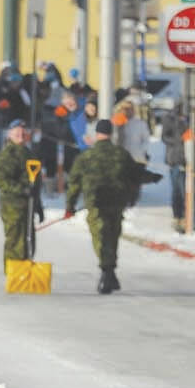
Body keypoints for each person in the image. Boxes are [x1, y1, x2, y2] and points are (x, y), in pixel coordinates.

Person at [65, 118, 152, 294]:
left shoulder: (86, 156)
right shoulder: (121, 154)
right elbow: (135, 176)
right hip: (117, 202)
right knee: (112, 235)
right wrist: (147, 182)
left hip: (96, 203)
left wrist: (70, 206)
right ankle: (110, 273)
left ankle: (107, 272)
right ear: (111, 134)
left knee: (100, 236)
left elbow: (74, 183)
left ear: (97, 134)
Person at [0, 119, 39, 266]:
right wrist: (22, 189)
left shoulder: (28, 153)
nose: (21, 135)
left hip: (28, 205)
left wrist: (38, 205)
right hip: (12, 205)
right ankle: (13, 272)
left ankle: (24, 272)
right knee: (15, 240)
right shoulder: (7, 155)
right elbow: (2, 181)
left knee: (29, 240)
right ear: (10, 134)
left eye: (23, 132)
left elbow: (35, 182)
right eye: (17, 132)